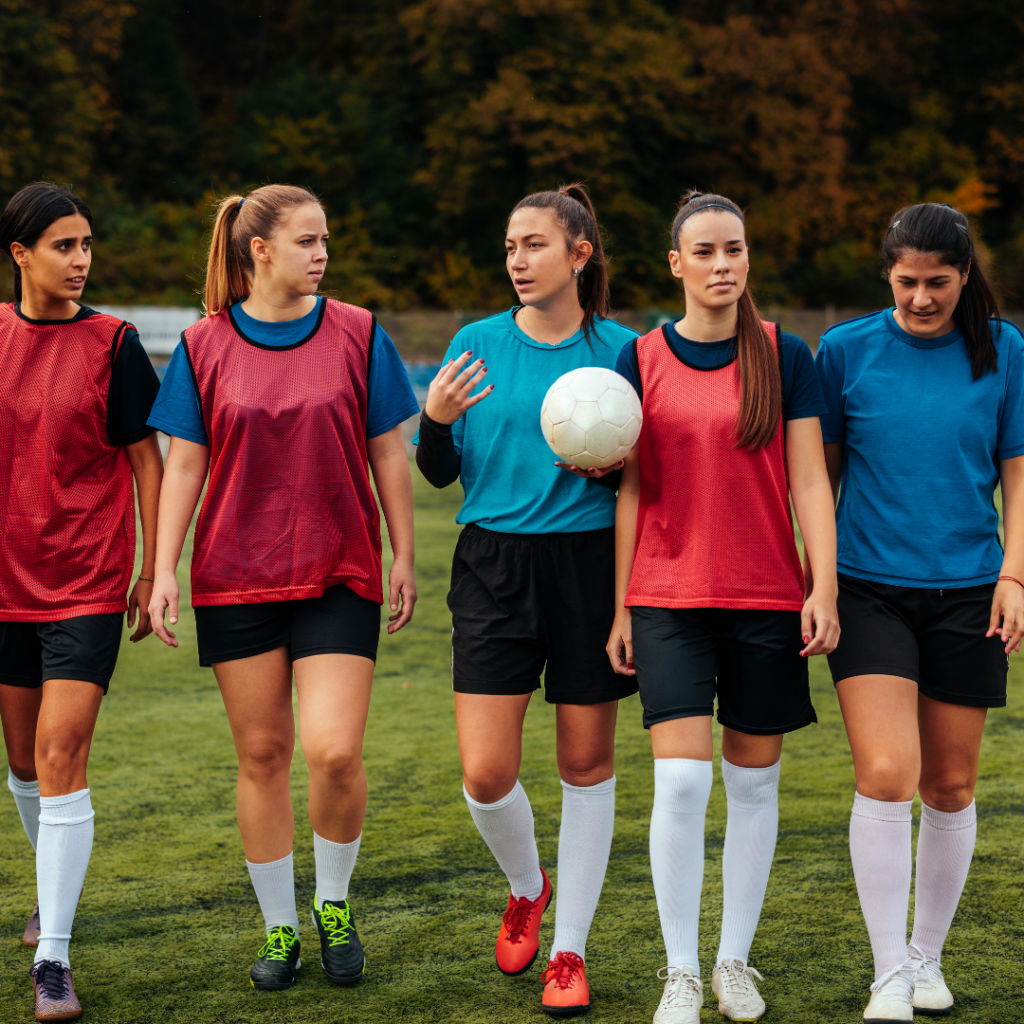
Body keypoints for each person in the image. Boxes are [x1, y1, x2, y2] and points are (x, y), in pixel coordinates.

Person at [146, 184, 419, 992]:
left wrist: (404, 553)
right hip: (236, 573)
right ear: (258, 249)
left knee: (334, 752)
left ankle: (333, 905)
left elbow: (389, 453)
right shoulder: (203, 346)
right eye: (306, 240)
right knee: (262, 754)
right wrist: (160, 568)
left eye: (325, 238)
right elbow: (184, 464)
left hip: (340, 566)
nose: (321, 252)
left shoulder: (359, 332)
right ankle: (280, 928)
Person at [606, 191, 840, 1024]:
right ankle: (679, 970)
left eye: (734, 250)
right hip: (667, 595)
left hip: (766, 595)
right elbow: (631, 486)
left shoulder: (786, 354)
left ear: (748, 257)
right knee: (679, 785)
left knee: (753, 787)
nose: (722, 266)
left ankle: (733, 960)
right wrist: (622, 605)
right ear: (676, 264)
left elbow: (809, 478)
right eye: (703, 252)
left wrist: (823, 585)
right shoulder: (640, 358)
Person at [415, 183, 638, 1016]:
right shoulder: (474, 345)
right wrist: (435, 419)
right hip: (492, 566)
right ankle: (527, 886)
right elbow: (438, 470)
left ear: (579, 254)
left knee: (585, 765)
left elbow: (648, 481)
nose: (517, 259)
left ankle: (571, 952)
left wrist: (613, 468)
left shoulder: (624, 353)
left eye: (534, 244)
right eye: (511, 245)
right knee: (484, 773)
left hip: (588, 568)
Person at [814, 202, 1024, 1023]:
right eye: (908, 282)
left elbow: (1018, 477)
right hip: (867, 588)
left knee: (951, 782)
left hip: (972, 590)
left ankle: (927, 956)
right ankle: (887, 971)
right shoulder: (845, 352)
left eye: (938, 282)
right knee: (888, 774)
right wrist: (820, 582)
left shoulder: (1004, 351)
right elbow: (817, 483)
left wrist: (1015, 578)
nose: (922, 298)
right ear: (887, 275)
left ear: (965, 276)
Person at [0, 182, 163, 1022]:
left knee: (62, 755)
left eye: (86, 244)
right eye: (62, 245)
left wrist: (148, 569)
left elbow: (146, 461)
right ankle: (49, 895)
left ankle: (53, 962)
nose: (80, 260)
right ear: (20, 254)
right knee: (23, 759)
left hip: (87, 582)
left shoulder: (116, 344)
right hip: (4, 584)